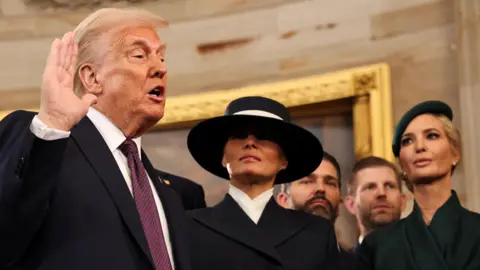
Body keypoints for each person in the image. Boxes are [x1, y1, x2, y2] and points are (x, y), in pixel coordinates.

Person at [0, 8, 191, 270]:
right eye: (139, 55)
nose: (160, 68)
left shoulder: (169, 193)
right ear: (92, 78)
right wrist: (53, 124)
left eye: (161, 57)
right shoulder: (43, 141)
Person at [186, 96, 339, 270]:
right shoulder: (187, 227)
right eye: (239, 135)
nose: (250, 143)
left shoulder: (317, 233)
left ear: (284, 161)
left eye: (264, 136)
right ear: (223, 158)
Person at [357, 101, 480, 270]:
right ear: (402, 164)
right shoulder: (377, 246)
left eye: (432, 136)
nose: (419, 147)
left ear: (455, 153)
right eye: (407, 141)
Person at [274, 151, 357, 269]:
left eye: (330, 183)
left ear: (340, 202)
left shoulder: (359, 265)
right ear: (283, 201)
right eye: (307, 181)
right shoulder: (262, 262)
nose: (320, 189)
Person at [344, 156, 405, 250]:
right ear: (351, 204)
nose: (381, 193)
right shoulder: (340, 264)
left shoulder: (431, 260)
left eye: (389, 186)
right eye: (370, 187)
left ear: (402, 201)